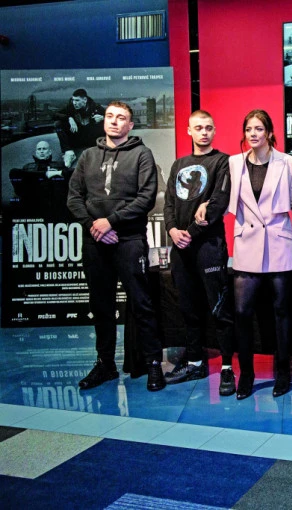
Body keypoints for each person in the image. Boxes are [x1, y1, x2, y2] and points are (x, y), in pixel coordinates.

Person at [67, 101, 164, 392]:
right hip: (95, 240)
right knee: (101, 306)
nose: (114, 121)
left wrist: (111, 222)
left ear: (130, 125)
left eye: (121, 118)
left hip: (129, 240)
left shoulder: (142, 154)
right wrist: (94, 226)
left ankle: (153, 364)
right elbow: (73, 198)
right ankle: (105, 365)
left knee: (142, 304)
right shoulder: (88, 156)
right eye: (110, 116)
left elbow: (146, 198)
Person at [226, 109, 292, 400]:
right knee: (242, 312)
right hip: (247, 243)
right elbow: (222, 196)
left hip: (280, 242)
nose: (253, 134)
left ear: (269, 132)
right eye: (248, 129)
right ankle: (247, 374)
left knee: (282, 312)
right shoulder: (234, 163)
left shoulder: (288, 162)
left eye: (258, 128)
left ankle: (283, 372)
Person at [162, 110, 235, 396]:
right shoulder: (179, 164)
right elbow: (169, 203)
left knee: (219, 308)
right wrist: (172, 230)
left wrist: (189, 232)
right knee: (188, 308)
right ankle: (194, 362)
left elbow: (218, 203)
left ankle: (227, 367)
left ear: (214, 131)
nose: (203, 132)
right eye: (198, 127)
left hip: (209, 247)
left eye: (208, 128)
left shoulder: (222, 161)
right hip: (180, 247)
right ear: (189, 131)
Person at [9, 140, 71, 216]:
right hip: (33, 198)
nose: (41, 151)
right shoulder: (28, 167)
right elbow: (17, 181)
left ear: (50, 152)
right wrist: (45, 174)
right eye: (39, 149)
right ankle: (45, 174)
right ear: (36, 152)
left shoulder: (59, 165)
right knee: (14, 171)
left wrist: (59, 172)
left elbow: (72, 175)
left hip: (54, 200)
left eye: (44, 149)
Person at [54, 88, 105, 168]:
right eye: (73, 100)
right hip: (77, 138)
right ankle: (69, 152)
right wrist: (69, 118)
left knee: (105, 123)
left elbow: (113, 117)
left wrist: (103, 118)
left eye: (77, 100)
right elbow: (55, 114)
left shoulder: (96, 107)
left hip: (92, 139)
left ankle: (103, 150)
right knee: (58, 124)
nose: (74, 103)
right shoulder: (70, 107)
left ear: (85, 100)